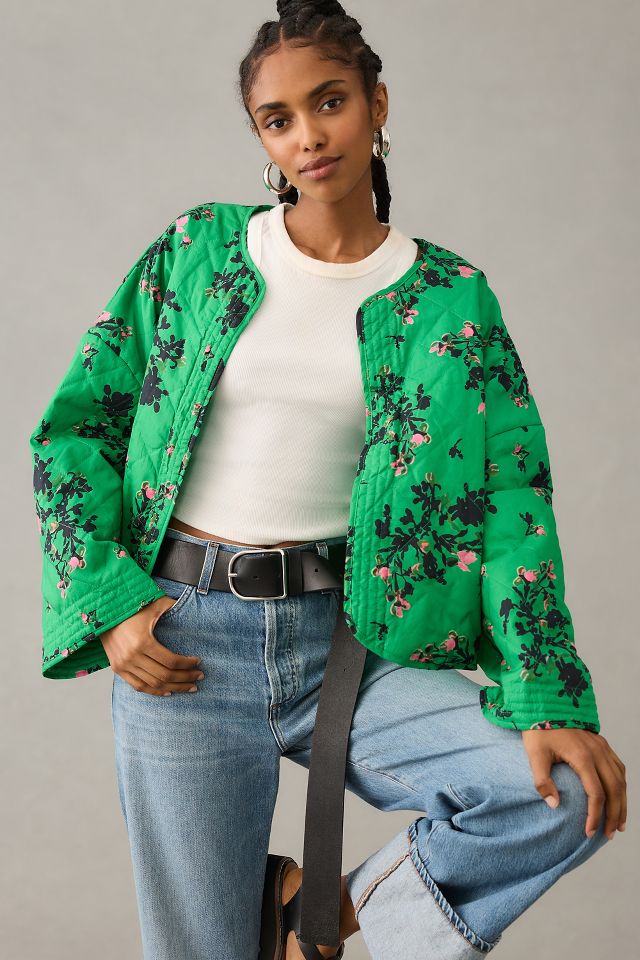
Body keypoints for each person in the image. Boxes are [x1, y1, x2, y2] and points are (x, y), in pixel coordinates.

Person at [30, 2, 626, 958]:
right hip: (183, 641)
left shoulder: (450, 298)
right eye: (279, 119)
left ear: (377, 105)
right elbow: (76, 429)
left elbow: (512, 499)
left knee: (554, 794)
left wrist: (547, 694)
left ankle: (316, 919)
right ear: (262, 140)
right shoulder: (197, 253)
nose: (308, 135)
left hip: (350, 642)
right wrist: (108, 604)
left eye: (330, 102)